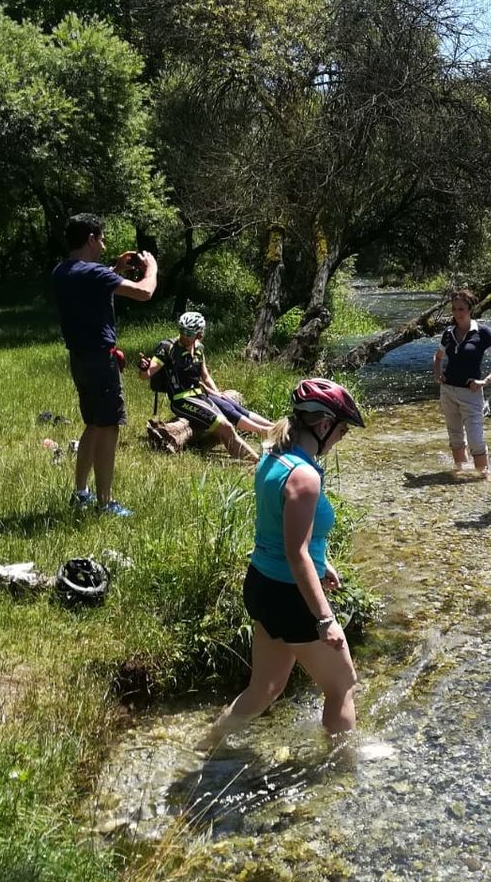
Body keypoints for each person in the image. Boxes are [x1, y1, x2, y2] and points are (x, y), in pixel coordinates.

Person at [199, 378, 366, 751]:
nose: (341, 439)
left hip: (262, 584)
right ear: (324, 425)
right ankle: (341, 769)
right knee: (342, 685)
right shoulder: (305, 476)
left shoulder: (273, 457)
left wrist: (323, 562)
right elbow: (296, 552)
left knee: (265, 687)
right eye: (342, 431)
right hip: (292, 596)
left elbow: (282, 531)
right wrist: (325, 619)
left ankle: (206, 746)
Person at [52, 212, 157, 516]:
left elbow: (92, 280)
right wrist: (151, 268)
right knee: (109, 426)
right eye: (101, 239)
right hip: (100, 359)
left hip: (80, 358)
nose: (104, 244)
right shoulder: (95, 274)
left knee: (94, 424)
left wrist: (116, 268)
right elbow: (144, 293)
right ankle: (105, 502)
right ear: (90, 239)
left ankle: (80, 493)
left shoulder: (63, 271)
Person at [139, 311, 275, 461]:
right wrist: (144, 368)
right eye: (181, 330)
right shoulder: (167, 347)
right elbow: (147, 374)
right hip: (181, 400)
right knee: (225, 426)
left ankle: (270, 432)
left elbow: (205, 375)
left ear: (198, 334)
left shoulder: (199, 349)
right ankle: (258, 461)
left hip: (200, 394)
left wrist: (217, 393)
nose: (184, 335)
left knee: (229, 410)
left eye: (189, 333)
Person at [431, 289, 491, 471]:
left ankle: (483, 477)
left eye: (461, 309)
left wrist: (486, 381)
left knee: (476, 440)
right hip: (448, 391)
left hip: (471, 393)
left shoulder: (482, 332)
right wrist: (437, 373)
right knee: (455, 436)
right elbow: (438, 357)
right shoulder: (448, 333)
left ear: (470, 309)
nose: (457, 313)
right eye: (454, 309)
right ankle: (460, 472)